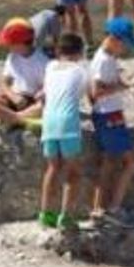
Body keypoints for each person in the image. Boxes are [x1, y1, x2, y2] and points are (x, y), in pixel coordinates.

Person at [89, 17, 134, 224]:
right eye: (123, 44)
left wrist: (122, 81)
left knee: (110, 162)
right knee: (128, 162)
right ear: (113, 39)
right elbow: (96, 91)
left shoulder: (106, 58)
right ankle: (111, 208)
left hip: (108, 114)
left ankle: (100, 209)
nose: (124, 48)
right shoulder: (103, 61)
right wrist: (124, 87)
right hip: (109, 115)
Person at [37, 32, 89, 230]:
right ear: (80, 52)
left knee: (52, 168)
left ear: (59, 51)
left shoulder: (50, 67)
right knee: (73, 173)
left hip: (48, 122)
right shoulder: (80, 71)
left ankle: (45, 213)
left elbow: (47, 93)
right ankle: (66, 217)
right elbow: (83, 95)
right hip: (68, 123)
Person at [0, 17, 49, 127]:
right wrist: (13, 96)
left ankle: (13, 118)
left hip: (33, 101)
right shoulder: (12, 57)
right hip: (15, 97)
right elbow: (4, 82)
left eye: (10, 44)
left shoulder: (42, 61)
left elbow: (48, 87)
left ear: (20, 44)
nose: (7, 46)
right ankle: (20, 119)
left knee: (44, 105)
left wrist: (41, 92)